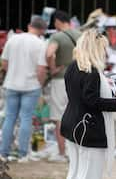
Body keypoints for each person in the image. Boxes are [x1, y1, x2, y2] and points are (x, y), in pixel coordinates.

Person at [61, 29, 116, 179]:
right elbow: (92, 101)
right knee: (89, 173)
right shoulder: (91, 72)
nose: (106, 52)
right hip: (88, 128)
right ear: (96, 49)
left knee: (75, 171)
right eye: (103, 48)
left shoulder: (73, 66)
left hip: (72, 122)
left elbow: (81, 96)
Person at [0, 17, 48, 162]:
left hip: (11, 83)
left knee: (9, 118)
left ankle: (3, 152)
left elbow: (4, 62)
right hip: (31, 85)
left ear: (29, 26)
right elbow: (41, 69)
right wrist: (40, 84)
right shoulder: (41, 44)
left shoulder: (13, 39)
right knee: (26, 118)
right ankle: (22, 153)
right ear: (42, 30)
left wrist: (11, 73)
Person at [46, 10, 81, 162]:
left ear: (59, 21)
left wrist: (52, 68)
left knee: (59, 116)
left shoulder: (57, 36)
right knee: (78, 115)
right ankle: (78, 152)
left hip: (61, 79)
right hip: (79, 79)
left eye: (54, 22)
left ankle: (62, 153)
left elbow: (49, 54)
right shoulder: (81, 35)